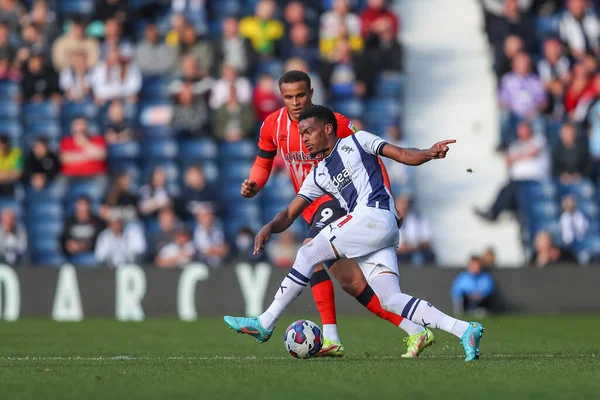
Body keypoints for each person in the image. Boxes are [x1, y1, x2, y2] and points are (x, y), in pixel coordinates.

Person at [225, 105, 484, 362]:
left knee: (308, 252)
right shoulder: (319, 174)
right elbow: (290, 213)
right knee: (391, 300)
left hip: (375, 214)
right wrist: (270, 227)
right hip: (376, 230)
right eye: (301, 134)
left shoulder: (359, 141)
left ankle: (265, 322)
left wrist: (429, 153)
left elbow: (403, 154)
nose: (303, 138)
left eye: (308, 132)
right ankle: (464, 330)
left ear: (328, 129)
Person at [240, 70, 421, 357]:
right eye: (288, 97)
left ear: (311, 93)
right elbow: (262, 164)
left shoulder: (331, 122)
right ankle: (414, 329)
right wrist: (254, 184)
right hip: (309, 204)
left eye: (300, 95)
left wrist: (387, 196)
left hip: (338, 198)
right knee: (351, 282)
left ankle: (325, 335)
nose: (295, 102)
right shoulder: (272, 126)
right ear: (281, 98)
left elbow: (370, 155)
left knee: (309, 252)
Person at [60, 196, 105, 261]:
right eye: (80, 205)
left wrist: (83, 246)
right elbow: (63, 239)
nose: (83, 209)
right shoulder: (69, 222)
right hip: (72, 256)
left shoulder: (97, 222)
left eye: (85, 205)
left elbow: (101, 241)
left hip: (91, 257)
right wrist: (68, 245)